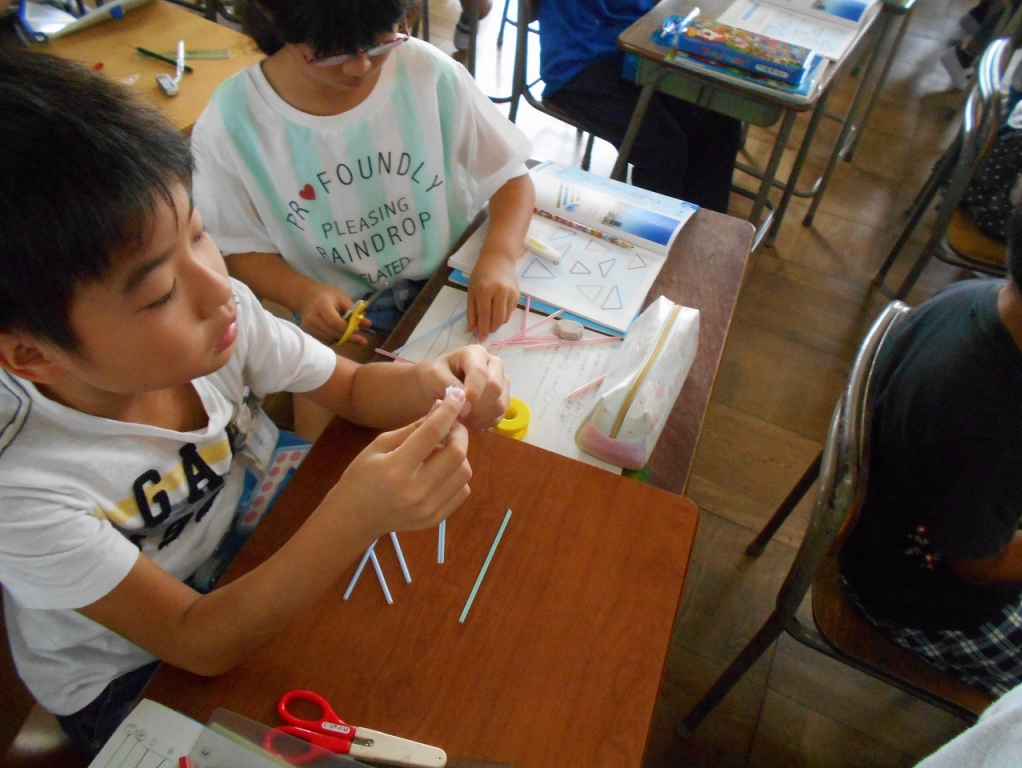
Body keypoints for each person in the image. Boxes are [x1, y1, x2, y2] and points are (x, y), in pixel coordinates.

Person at [0, 49, 510, 758]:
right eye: (159, 292)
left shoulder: (218, 316)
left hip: (258, 542)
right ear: (32, 355)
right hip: (137, 674)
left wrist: (436, 381)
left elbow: (352, 387)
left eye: (199, 233)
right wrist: (356, 515)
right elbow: (195, 641)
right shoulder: (21, 485)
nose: (219, 289)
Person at [191, 0, 533, 350]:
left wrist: (499, 257)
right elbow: (238, 249)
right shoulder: (230, 125)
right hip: (348, 312)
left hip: (449, 281)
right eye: (330, 54)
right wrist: (303, 294)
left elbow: (511, 177)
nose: (359, 66)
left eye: (379, 42)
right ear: (270, 13)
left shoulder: (427, 72)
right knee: (345, 384)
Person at [839, 200, 1022, 697]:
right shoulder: (991, 426)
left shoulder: (981, 296)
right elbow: (981, 566)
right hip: (918, 596)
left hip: (908, 521)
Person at [535, 0, 742, 214]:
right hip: (579, 66)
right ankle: (658, 228)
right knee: (662, 150)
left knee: (720, 124)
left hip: (634, 50)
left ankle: (702, 223)